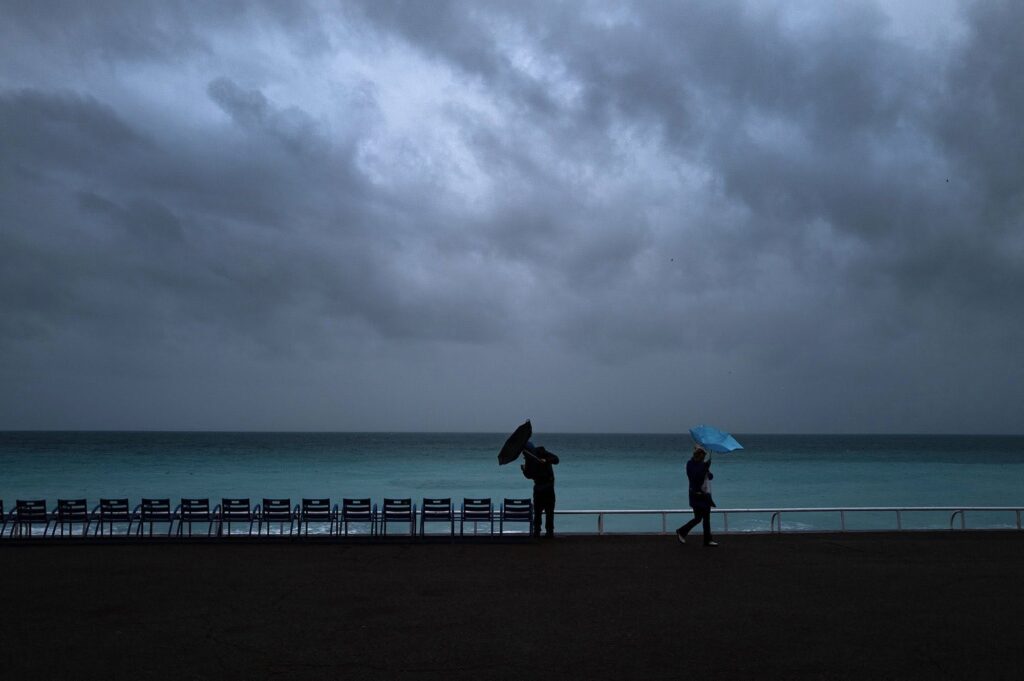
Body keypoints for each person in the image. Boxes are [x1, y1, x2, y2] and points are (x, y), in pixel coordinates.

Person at [676, 446, 718, 547]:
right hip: (696, 495)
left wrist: (707, 468)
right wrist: (705, 467)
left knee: (707, 519)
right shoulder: (690, 464)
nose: (704, 458)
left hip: (705, 496)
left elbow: (710, 476)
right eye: (703, 456)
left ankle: (708, 540)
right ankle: (681, 531)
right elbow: (695, 477)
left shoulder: (703, 465)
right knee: (698, 518)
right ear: (698, 455)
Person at [521, 441, 559, 537]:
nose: (524, 454)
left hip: (548, 486)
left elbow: (556, 459)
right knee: (537, 511)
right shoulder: (528, 460)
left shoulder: (541, 452)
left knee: (549, 511)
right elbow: (529, 476)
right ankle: (537, 531)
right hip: (538, 488)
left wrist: (546, 460)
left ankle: (549, 531)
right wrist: (524, 470)